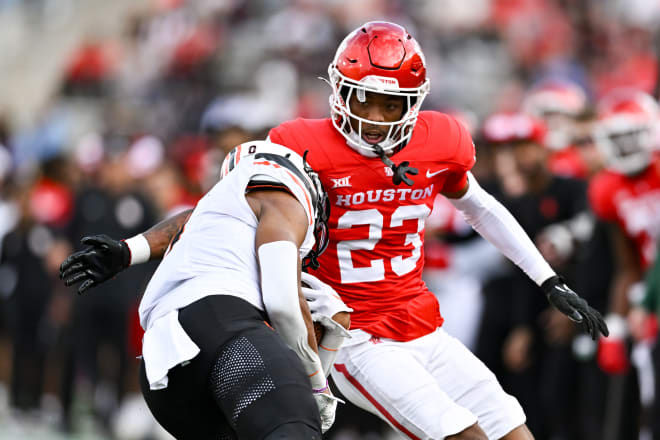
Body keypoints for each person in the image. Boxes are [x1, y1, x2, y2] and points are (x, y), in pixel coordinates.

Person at [62, 21, 607, 440]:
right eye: (360, 96)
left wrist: (548, 280)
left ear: (413, 103)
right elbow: (214, 214)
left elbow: (480, 207)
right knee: (459, 433)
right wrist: (132, 250)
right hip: (353, 337)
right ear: (339, 90)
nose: (370, 114)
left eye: (387, 101)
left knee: (510, 427)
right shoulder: (300, 144)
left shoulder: (441, 140)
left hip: (420, 321)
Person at [61, 141, 352, 439]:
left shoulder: (217, 214)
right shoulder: (281, 194)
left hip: (163, 373)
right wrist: (317, 385)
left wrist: (128, 251)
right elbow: (282, 302)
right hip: (222, 331)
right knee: (294, 430)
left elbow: (189, 220)